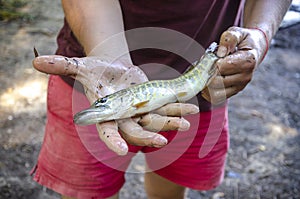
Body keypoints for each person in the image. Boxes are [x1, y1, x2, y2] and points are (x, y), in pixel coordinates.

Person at [31, 1, 291, 199]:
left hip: (201, 96)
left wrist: (260, 35)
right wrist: (111, 57)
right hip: (91, 79)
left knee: (169, 189)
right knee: (87, 192)